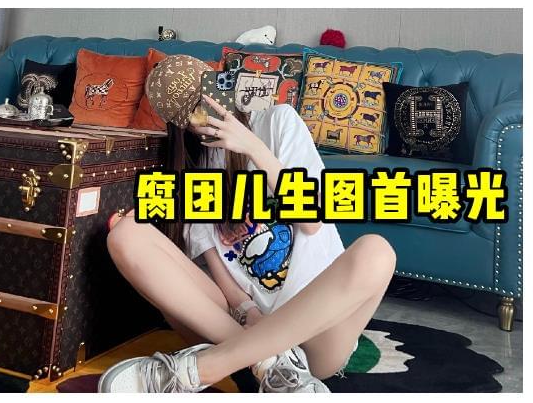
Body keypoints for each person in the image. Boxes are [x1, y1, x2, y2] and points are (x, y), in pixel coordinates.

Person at [100, 54, 396, 393]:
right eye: (193, 113)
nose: (208, 112)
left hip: (316, 334)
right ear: (183, 126)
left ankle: (202, 369)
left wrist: (254, 147)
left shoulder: (279, 122)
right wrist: (247, 311)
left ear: (221, 86)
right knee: (126, 235)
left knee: (377, 252)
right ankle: (271, 366)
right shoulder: (198, 169)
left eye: (209, 95)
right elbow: (217, 267)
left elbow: (312, 220)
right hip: (241, 328)